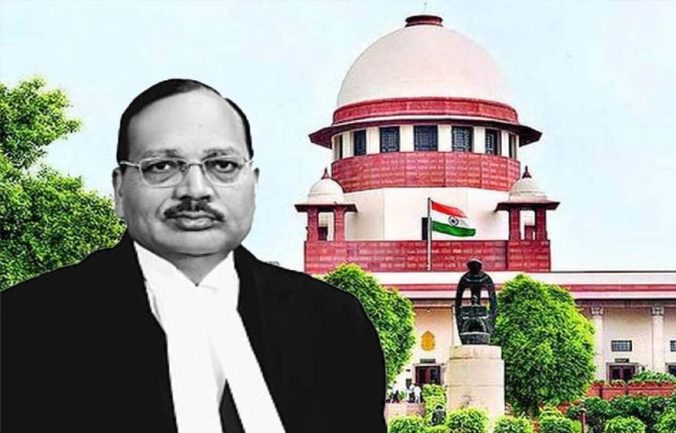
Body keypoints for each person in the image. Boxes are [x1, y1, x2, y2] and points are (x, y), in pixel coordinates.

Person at [0, 79, 387, 433]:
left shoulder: (333, 325)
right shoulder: (24, 328)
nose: (195, 189)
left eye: (223, 165)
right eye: (162, 166)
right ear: (119, 190)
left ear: (252, 185)